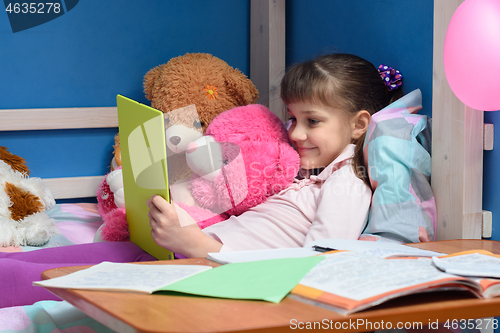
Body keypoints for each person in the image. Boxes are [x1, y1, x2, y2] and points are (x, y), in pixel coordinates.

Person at [147, 53, 404, 258]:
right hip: (200, 251)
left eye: (312, 121)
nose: (295, 133)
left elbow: (320, 261)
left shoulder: (346, 180)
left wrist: (197, 245)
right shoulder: (302, 171)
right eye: (293, 118)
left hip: (215, 263)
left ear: (358, 125)